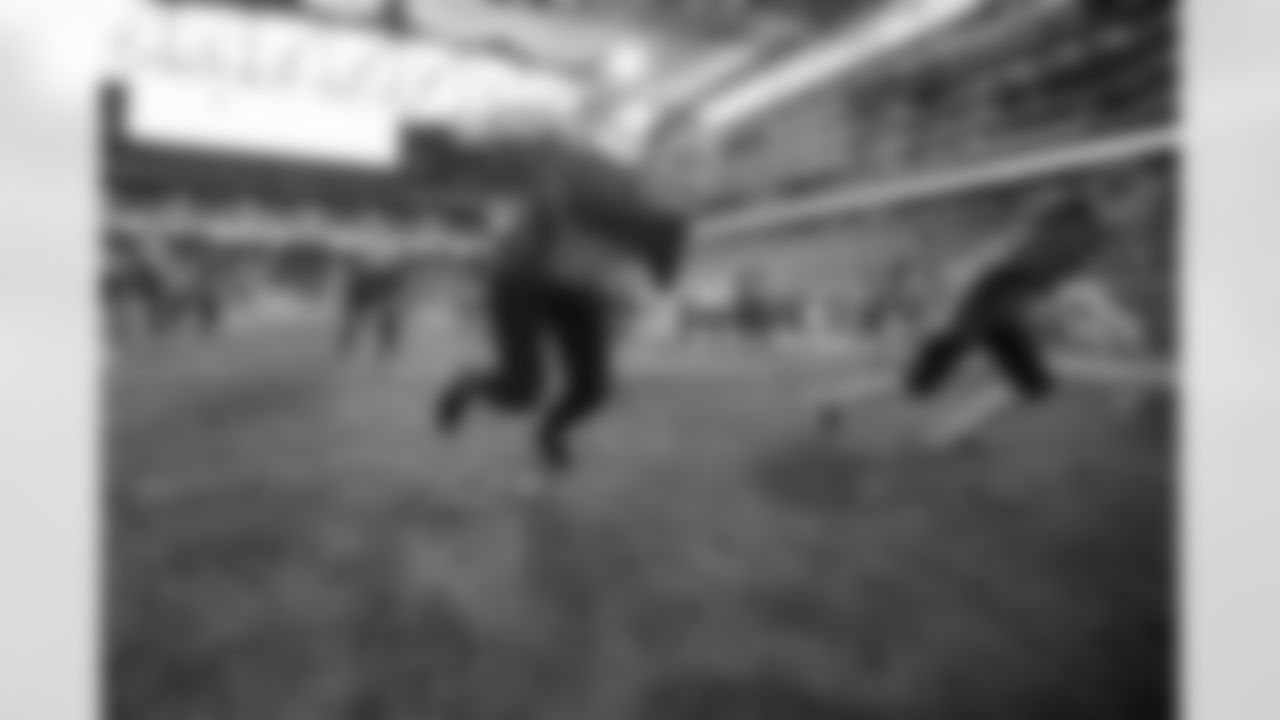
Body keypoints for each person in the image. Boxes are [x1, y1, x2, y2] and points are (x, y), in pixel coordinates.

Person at [815, 179, 1167, 448]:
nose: (1145, 213)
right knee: (921, 384)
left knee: (1029, 385)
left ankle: (947, 434)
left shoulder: (1101, 232)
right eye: (1142, 203)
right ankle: (836, 398)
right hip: (978, 303)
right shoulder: (1072, 218)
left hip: (1004, 305)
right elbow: (1023, 241)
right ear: (1117, 199)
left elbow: (1054, 275)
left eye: (1151, 206)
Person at [435, 178, 685, 474]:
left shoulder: (663, 229)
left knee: (592, 389)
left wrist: (650, 295)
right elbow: (549, 208)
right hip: (522, 281)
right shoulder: (598, 200)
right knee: (521, 390)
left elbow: (661, 276)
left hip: (576, 290)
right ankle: (466, 385)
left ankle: (551, 433)